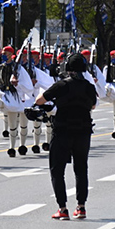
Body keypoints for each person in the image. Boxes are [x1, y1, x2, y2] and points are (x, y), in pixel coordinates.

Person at [35, 53, 97, 220]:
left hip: (63, 130)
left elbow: (40, 100)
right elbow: (93, 105)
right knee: (81, 169)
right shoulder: (89, 86)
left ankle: (62, 208)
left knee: (57, 170)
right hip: (83, 131)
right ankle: (81, 207)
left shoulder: (61, 85)